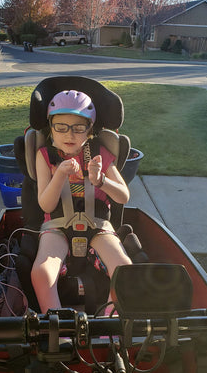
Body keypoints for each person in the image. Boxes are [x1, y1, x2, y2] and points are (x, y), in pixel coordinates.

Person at [31, 90, 132, 313]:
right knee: (41, 271)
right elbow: (46, 205)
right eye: (61, 126)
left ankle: (110, 323)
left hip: (98, 226)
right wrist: (59, 175)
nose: (70, 134)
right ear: (51, 127)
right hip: (57, 226)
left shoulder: (100, 154)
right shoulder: (45, 155)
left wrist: (100, 180)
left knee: (124, 268)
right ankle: (56, 324)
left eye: (78, 127)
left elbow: (123, 196)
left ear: (90, 129)